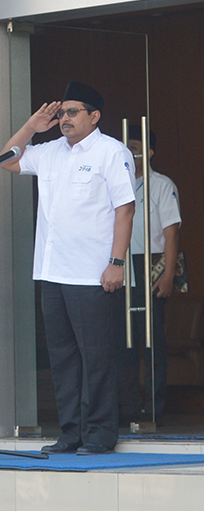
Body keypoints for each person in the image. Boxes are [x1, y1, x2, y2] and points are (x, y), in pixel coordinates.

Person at [0, 82, 135, 455]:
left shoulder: (112, 152)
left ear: (95, 116)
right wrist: (31, 127)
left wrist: (116, 262)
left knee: (96, 358)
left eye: (73, 112)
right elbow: (7, 161)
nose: (64, 118)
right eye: (61, 113)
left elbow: (125, 209)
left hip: (92, 274)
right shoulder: (50, 151)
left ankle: (100, 434)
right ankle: (71, 433)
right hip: (52, 272)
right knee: (62, 359)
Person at [118, 129, 181, 424]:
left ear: (149, 152)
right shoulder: (116, 183)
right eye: (126, 147)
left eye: (134, 147)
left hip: (152, 265)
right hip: (122, 266)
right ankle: (128, 407)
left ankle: (155, 407)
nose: (129, 153)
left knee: (152, 340)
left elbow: (171, 234)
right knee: (124, 342)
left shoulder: (162, 184)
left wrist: (168, 274)